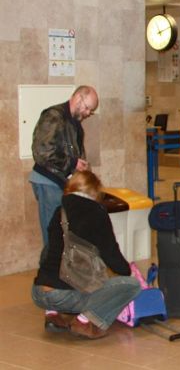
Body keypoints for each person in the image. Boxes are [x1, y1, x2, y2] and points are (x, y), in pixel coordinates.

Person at [31, 171, 141, 340]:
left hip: (38, 293)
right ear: (95, 191)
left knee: (52, 250)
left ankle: (52, 314)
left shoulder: (59, 211)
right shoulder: (97, 213)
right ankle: (84, 322)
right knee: (130, 285)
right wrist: (130, 271)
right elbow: (112, 256)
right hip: (63, 296)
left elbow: (50, 253)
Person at [30, 85, 98, 246]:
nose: (88, 113)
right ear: (78, 98)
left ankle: (61, 269)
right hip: (48, 182)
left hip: (60, 182)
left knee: (60, 233)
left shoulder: (73, 121)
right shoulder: (54, 116)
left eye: (91, 111)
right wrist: (73, 163)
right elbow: (42, 151)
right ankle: (50, 270)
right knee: (52, 234)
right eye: (87, 108)